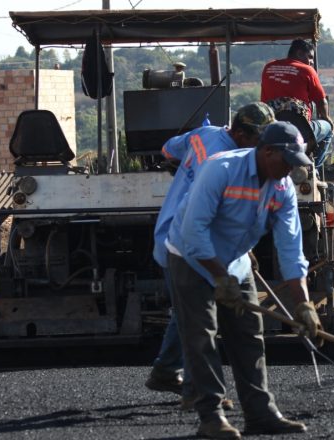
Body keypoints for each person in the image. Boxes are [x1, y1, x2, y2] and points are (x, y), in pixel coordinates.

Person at [165, 121, 321, 439]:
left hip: (235, 262)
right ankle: (211, 417)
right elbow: (194, 232)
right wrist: (220, 280)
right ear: (266, 152)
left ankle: (260, 413)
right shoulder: (219, 169)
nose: (291, 169)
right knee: (201, 336)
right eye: (287, 161)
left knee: (249, 336)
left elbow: (291, 249)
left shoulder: (282, 188)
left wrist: (303, 305)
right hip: (190, 258)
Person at [145, 103, 275, 412]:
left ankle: (166, 371)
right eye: (259, 140)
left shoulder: (204, 134)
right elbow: (212, 213)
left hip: (173, 231)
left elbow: (168, 148)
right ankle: (195, 391)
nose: (264, 148)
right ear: (240, 133)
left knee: (188, 310)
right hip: (188, 239)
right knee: (200, 316)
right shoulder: (223, 162)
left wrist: (179, 164)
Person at [260, 38, 334, 168]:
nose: (311, 62)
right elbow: (321, 101)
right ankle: (313, 168)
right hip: (301, 129)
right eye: (310, 57)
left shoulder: (269, 67)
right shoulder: (307, 70)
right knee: (328, 130)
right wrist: (327, 118)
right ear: (299, 53)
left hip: (271, 128)